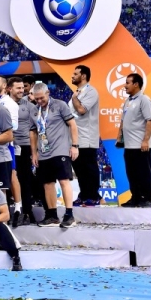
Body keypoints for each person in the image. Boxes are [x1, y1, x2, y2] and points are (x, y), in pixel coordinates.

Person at [31, 83, 79, 227]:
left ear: (48, 93)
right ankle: (52, 216)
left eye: (41, 98)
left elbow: (72, 124)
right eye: (36, 99)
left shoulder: (60, 105)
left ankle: (69, 215)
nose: (39, 101)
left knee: (64, 181)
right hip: (43, 152)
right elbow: (32, 133)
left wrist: (74, 146)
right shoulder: (34, 110)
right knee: (47, 184)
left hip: (60, 150)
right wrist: (34, 153)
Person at [119, 73, 151, 208]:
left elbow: (150, 120)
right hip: (129, 146)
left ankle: (147, 199)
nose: (125, 85)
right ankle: (135, 198)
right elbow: (123, 121)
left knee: (144, 173)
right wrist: (119, 137)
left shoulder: (144, 100)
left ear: (136, 84)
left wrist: (145, 140)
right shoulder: (128, 101)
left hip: (141, 145)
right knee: (132, 173)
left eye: (128, 83)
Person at [68, 65, 101, 207]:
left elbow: (81, 110)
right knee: (79, 169)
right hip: (75, 138)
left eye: (75, 74)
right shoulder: (77, 93)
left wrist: (75, 98)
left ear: (83, 76)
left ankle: (94, 195)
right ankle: (84, 194)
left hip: (87, 137)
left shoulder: (91, 91)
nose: (72, 76)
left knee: (89, 168)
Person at [0, 75, 22, 226]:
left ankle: (17, 208)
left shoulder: (9, 103)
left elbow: (14, 127)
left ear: (4, 86)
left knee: (11, 176)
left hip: (5, 146)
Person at [8, 77, 38, 225]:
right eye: (18, 88)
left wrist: (34, 152)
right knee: (8, 180)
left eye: (22, 88)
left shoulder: (30, 107)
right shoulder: (3, 104)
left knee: (25, 180)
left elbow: (35, 129)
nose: (22, 90)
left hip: (24, 147)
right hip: (6, 146)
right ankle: (7, 212)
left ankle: (27, 211)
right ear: (10, 89)